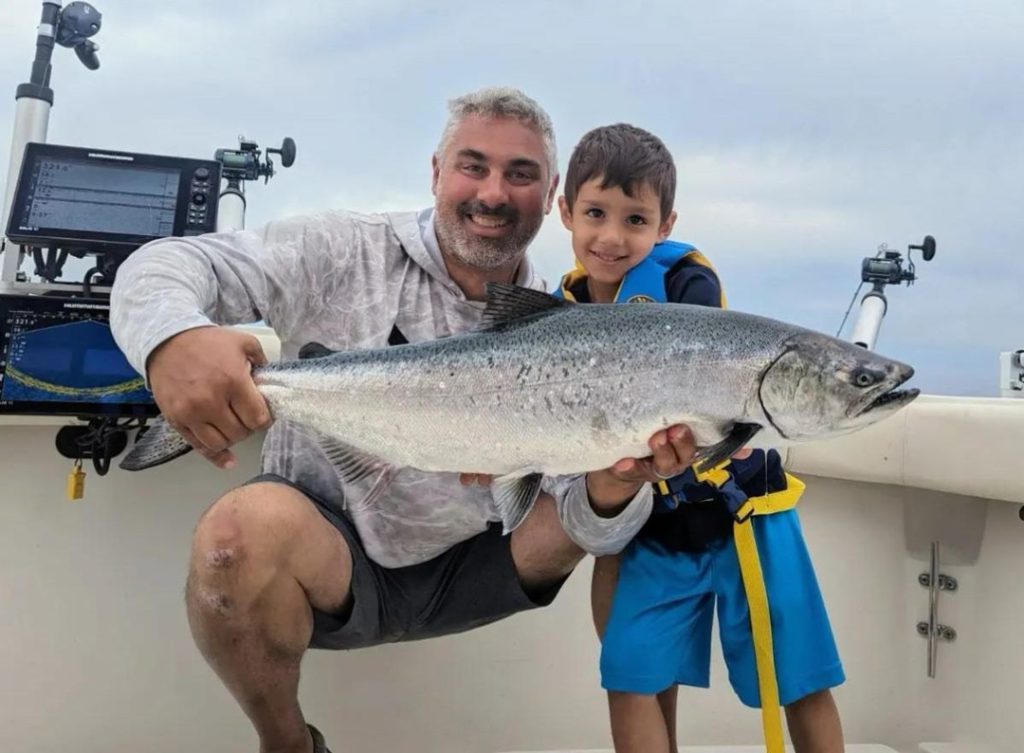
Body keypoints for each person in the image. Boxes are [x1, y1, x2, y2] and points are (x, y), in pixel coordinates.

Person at [109, 87, 698, 753]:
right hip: (335, 562)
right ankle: (289, 744)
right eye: (473, 165)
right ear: (436, 171)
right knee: (233, 535)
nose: (494, 193)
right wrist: (172, 340)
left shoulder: (562, 320)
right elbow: (162, 266)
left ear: (550, 194)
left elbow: (586, 524)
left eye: (521, 173)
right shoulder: (343, 249)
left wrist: (618, 481)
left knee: (632, 507)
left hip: (484, 570)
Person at [552, 123, 846, 753]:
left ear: (665, 225)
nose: (611, 236)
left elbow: (703, 359)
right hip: (651, 528)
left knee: (797, 678)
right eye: (596, 213)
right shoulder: (557, 310)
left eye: (636, 219)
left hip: (742, 512)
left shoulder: (688, 282)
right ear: (564, 211)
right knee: (631, 676)